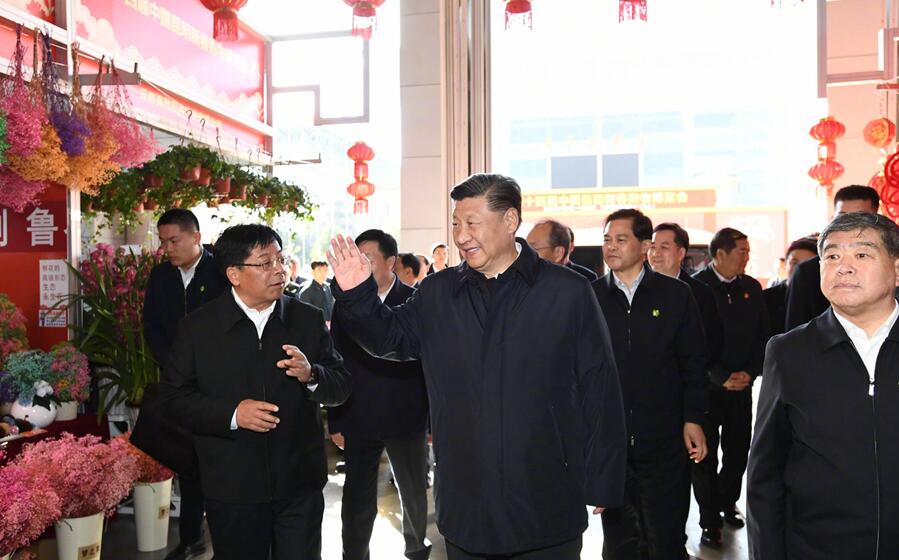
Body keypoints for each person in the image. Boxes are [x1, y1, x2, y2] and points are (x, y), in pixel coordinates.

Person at [327, 173, 627, 559]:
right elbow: (389, 339)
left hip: (546, 498)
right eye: (456, 224)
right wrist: (357, 294)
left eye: (472, 222)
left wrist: (603, 475)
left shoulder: (566, 291)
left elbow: (598, 385)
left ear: (510, 220)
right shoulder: (439, 292)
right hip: (467, 503)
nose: (461, 235)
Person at [162, 224, 352, 560]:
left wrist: (312, 374)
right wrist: (233, 414)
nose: (279, 270)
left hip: (299, 484)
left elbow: (341, 386)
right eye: (265, 263)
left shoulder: (307, 319)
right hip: (232, 486)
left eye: (280, 259)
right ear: (234, 274)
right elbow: (174, 400)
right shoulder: (198, 329)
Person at [748, 212, 899, 559]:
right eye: (831, 256)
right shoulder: (789, 352)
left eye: (862, 254)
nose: (843, 267)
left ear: (896, 268)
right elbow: (765, 477)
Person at [595, 210, 708, 560]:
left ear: (645, 246)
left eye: (621, 239)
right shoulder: (590, 297)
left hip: (664, 439)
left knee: (664, 538)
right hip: (612, 444)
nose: (611, 247)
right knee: (619, 543)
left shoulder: (675, 295)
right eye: (607, 239)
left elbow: (693, 362)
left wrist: (693, 418)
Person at [329, 229, 431, 560]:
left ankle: (416, 549)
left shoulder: (416, 302)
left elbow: (430, 369)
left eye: (368, 258)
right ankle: (354, 554)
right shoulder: (347, 305)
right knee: (357, 499)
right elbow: (336, 362)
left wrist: (431, 423)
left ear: (391, 262)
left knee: (412, 493)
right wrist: (337, 420)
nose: (360, 264)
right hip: (360, 416)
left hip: (406, 417)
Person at [136, 208, 228, 560]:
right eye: (163, 242)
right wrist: (174, 366)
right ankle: (191, 538)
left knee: (221, 462)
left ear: (196, 237)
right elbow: (152, 327)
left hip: (219, 383)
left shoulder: (221, 272)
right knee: (188, 462)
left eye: (174, 240)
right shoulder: (161, 276)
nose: (168, 248)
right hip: (180, 383)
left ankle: (226, 538)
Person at [691, 228, 769, 547]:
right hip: (707, 388)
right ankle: (709, 521)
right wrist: (719, 375)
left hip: (742, 386)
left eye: (748, 251)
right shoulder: (696, 288)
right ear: (720, 254)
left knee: (738, 450)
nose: (746, 256)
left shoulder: (751, 287)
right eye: (741, 251)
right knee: (705, 457)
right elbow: (693, 342)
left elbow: (763, 334)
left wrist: (750, 372)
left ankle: (727, 502)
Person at [785, 185, 880, 331]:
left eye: (859, 217)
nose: (849, 225)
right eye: (842, 217)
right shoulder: (807, 271)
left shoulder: (888, 265)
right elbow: (795, 331)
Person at [764, 237, 817, 337]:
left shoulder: (823, 299)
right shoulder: (766, 298)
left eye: (806, 264)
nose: (799, 269)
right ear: (785, 265)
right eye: (795, 263)